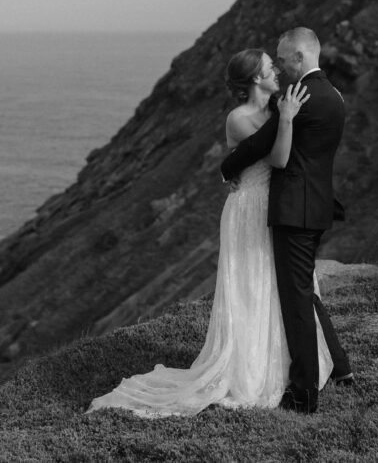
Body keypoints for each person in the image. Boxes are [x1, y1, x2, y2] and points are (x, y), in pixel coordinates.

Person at [87, 48, 333, 417]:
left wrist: (289, 115)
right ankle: (253, 370)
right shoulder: (240, 118)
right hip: (250, 207)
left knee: (284, 287)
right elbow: (279, 157)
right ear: (255, 79)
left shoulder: (280, 105)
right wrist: (285, 120)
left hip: (280, 207)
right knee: (252, 286)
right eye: (270, 68)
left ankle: (291, 366)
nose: (277, 72)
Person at [220, 27, 353, 415]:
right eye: (270, 63)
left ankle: (304, 392)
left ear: (298, 58)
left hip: (292, 210)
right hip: (310, 207)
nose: (278, 65)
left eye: (281, 58)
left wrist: (226, 170)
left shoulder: (299, 100)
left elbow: (264, 151)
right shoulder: (335, 96)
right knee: (303, 291)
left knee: (295, 300)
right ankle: (339, 368)